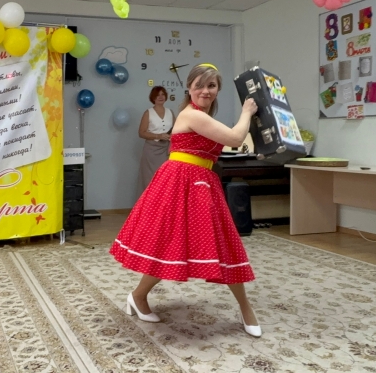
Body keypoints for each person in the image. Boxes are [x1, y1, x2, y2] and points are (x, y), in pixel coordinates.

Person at [110, 63, 262, 337]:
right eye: (199, 85)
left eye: (211, 86)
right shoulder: (191, 114)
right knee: (168, 246)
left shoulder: (202, 116)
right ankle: (138, 296)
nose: (205, 91)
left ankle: (245, 307)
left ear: (218, 89)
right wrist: (247, 111)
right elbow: (235, 137)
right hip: (179, 182)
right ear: (189, 88)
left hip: (203, 183)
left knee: (224, 245)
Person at [137, 86, 174, 194]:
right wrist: (158, 136)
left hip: (167, 150)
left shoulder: (170, 112)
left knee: (166, 180)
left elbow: (176, 129)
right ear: (153, 98)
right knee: (150, 179)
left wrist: (171, 136)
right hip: (152, 151)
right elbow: (141, 133)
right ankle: (149, 203)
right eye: (157, 95)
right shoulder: (148, 113)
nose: (160, 97)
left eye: (162, 94)